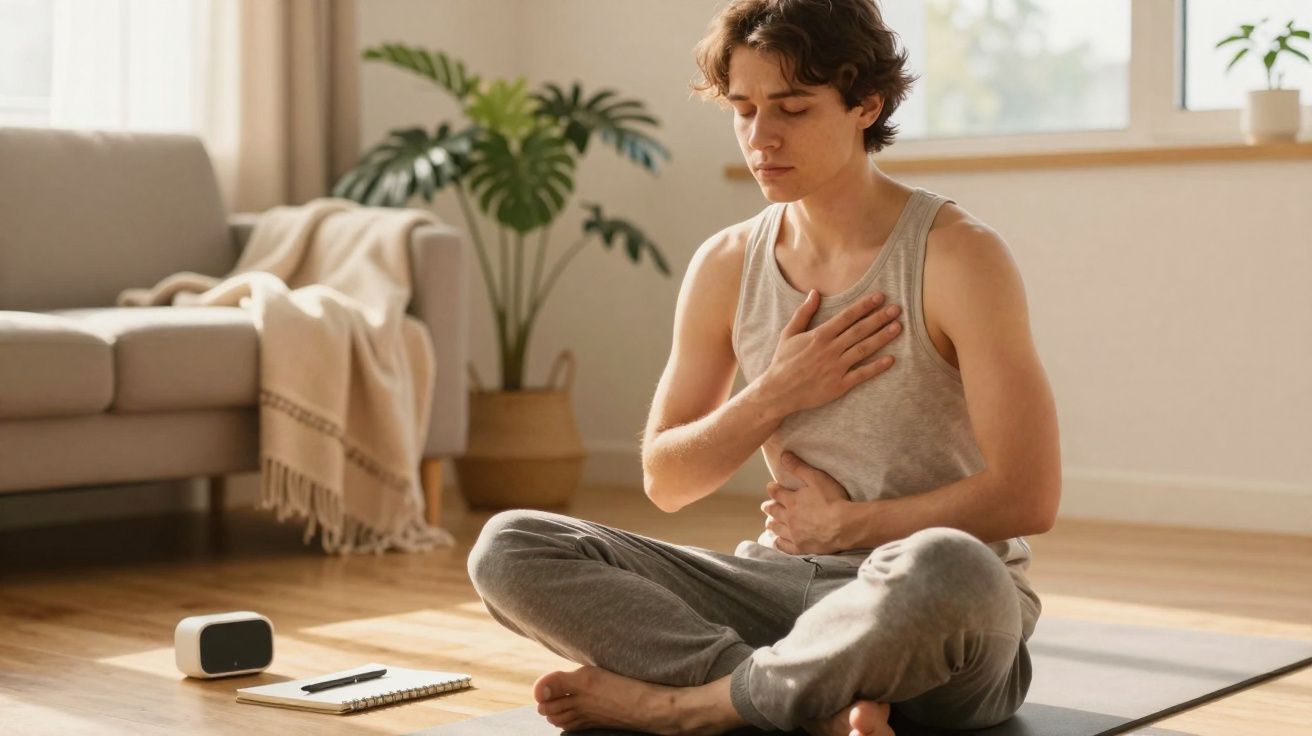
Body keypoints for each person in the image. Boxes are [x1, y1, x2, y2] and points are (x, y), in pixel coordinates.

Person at [465, 1, 1062, 734]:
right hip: (778, 588)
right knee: (511, 546)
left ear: (864, 104)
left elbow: (1030, 495)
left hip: (925, 608)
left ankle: (689, 706)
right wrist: (774, 395)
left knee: (949, 568)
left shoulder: (958, 255)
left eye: (792, 109)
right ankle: (796, 699)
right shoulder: (725, 265)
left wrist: (851, 525)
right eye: (742, 109)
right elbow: (666, 480)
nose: (761, 137)